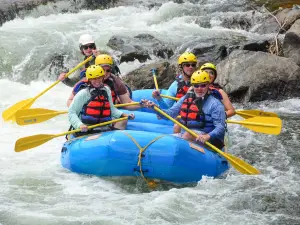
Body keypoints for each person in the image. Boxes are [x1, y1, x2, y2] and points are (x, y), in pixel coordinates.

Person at [142, 70, 226, 149]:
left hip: (209, 140)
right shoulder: (186, 98)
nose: (199, 88)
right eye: (196, 85)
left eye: (203, 85)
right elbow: (170, 113)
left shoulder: (215, 104)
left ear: (208, 85)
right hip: (187, 135)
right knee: (165, 139)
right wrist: (155, 108)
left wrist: (207, 136)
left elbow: (220, 127)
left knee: (188, 135)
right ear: (192, 86)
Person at [68, 65, 134, 135]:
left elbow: (112, 109)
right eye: (94, 79)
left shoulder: (106, 90)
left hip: (103, 128)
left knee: (123, 120)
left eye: (99, 78)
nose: (97, 81)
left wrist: (124, 115)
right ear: (89, 79)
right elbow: (72, 112)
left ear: (103, 78)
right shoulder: (83, 93)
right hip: (87, 129)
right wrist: (79, 125)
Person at [67, 54, 138, 112]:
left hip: (107, 113)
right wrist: (76, 111)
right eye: (102, 69)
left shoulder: (115, 81)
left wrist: (141, 105)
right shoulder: (85, 82)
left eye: (108, 70)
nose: (105, 73)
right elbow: (70, 100)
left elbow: (127, 103)